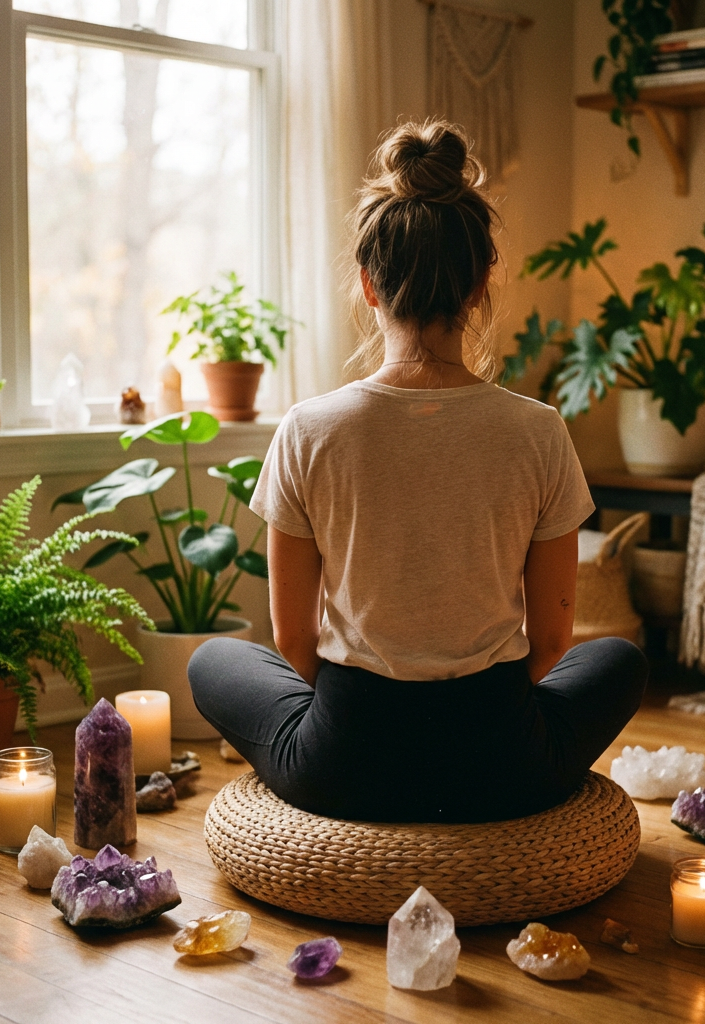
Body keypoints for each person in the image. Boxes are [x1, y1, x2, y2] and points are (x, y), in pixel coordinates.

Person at [189, 120, 647, 823]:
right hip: (501, 762)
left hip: (346, 762)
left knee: (211, 662)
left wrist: (369, 718)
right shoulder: (539, 431)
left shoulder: (308, 428)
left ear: (370, 286)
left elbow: (291, 641)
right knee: (619, 661)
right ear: (479, 282)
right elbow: (555, 643)